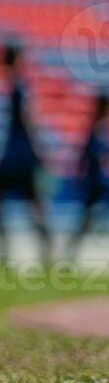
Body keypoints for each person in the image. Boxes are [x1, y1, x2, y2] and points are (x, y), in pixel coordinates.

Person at [0, 42, 54, 266]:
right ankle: (43, 254)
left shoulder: (17, 88)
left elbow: (28, 123)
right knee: (30, 205)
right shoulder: (17, 86)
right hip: (18, 155)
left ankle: (7, 254)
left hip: (15, 157)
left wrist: (37, 153)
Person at [67, 92, 109, 262]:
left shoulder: (101, 130)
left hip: (101, 183)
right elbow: (85, 156)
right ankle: (69, 257)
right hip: (95, 183)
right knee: (85, 222)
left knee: (85, 222)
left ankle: (69, 256)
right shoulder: (95, 131)